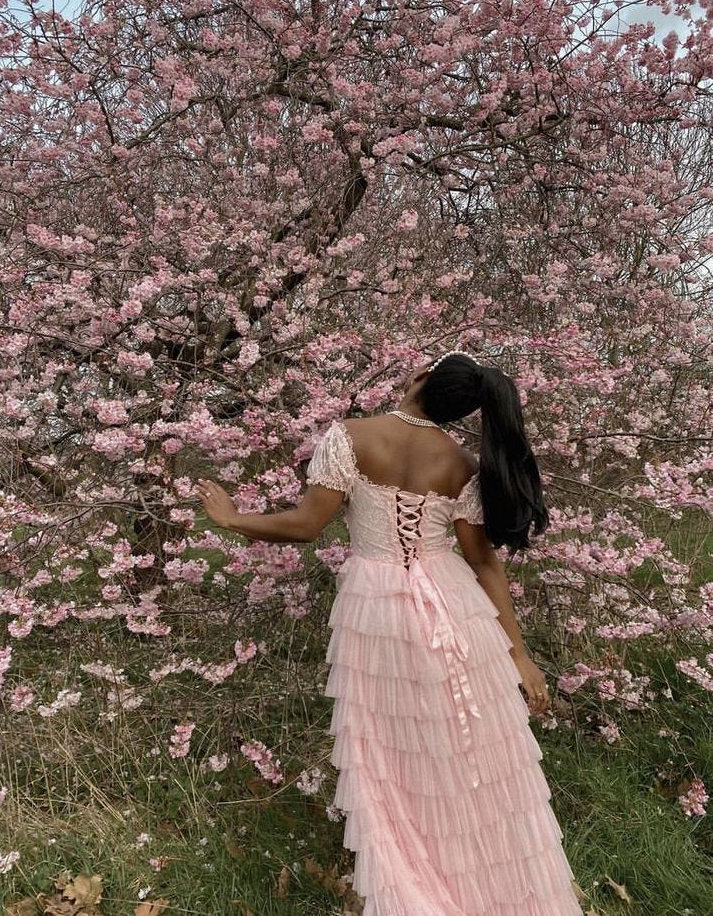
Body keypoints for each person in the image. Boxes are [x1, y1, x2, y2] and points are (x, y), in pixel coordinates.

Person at [194, 350, 583, 915]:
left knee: (387, 759)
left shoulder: (350, 436)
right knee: (463, 758)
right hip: (457, 612)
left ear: (419, 378)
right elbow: (484, 564)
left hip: (377, 615)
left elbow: (306, 525)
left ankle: (416, 886)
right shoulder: (461, 464)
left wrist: (232, 519)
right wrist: (518, 655)